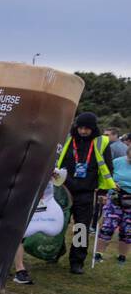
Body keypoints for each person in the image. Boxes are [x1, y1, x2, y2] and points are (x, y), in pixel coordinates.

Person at [57, 111, 115, 274]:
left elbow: (107, 168)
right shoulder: (67, 139)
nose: (83, 131)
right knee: (58, 224)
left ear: (93, 128)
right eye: (80, 128)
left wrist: (103, 192)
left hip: (86, 192)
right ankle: (55, 251)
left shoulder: (101, 142)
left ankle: (77, 262)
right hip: (64, 189)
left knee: (81, 227)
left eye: (87, 129)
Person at [97, 142, 131, 264]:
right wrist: (111, 184)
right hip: (115, 198)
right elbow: (106, 177)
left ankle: (122, 257)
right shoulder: (117, 162)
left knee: (127, 231)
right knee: (107, 227)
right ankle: (98, 254)